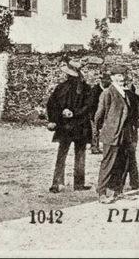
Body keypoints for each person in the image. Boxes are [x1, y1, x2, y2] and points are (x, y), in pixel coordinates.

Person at [45, 58, 92, 193]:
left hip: (68, 126)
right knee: (79, 155)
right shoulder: (84, 88)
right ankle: (77, 184)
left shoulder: (62, 87)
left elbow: (51, 105)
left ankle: (57, 183)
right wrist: (70, 113)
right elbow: (88, 107)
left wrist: (60, 115)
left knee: (64, 154)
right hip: (78, 126)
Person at [94, 67, 133, 203]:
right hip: (111, 133)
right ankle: (102, 193)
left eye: (123, 75)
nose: (121, 78)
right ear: (112, 78)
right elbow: (99, 115)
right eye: (118, 75)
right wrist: (100, 131)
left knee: (121, 163)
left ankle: (117, 191)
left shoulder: (125, 92)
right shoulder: (107, 93)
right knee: (108, 163)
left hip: (124, 134)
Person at [120, 74, 139, 191]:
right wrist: (136, 125)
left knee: (124, 156)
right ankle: (134, 182)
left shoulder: (123, 96)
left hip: (124, 130)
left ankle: (122, 182)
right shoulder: (134, 96)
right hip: (132, 130)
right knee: (131, 155)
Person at [88, 73, 109, 155]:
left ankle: (104, 147)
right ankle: (94, 147)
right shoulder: (95, 90)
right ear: (102, 81)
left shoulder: (108, 90)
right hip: (95, 113)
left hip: (105, 114)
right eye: (107, 80)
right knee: (95, 131)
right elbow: (91, 104)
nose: (109, 82)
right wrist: (93, 116)